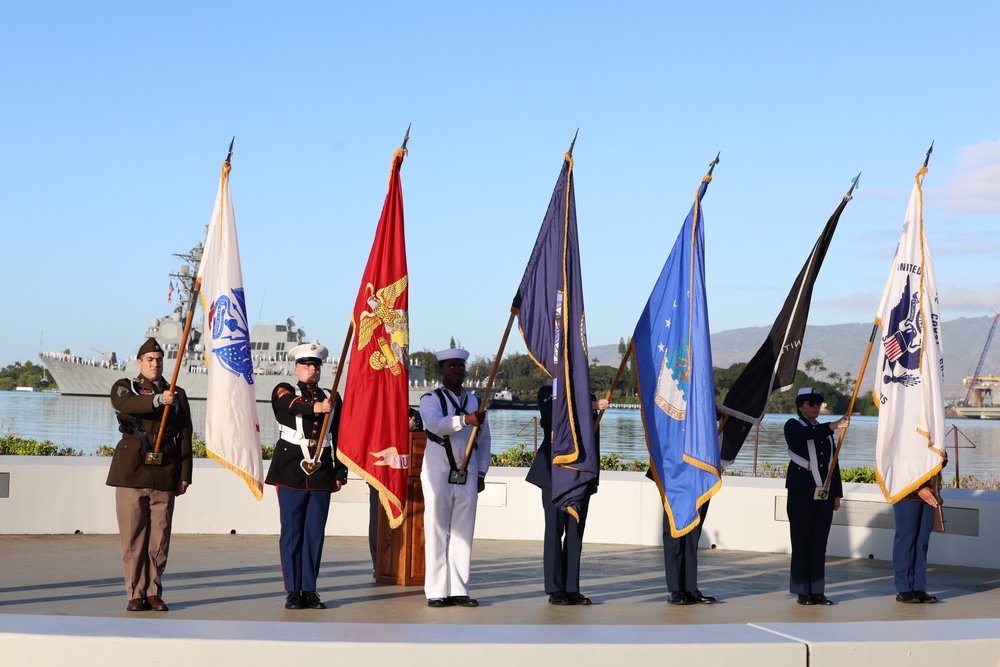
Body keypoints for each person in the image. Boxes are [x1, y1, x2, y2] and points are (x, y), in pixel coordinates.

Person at [107, 337, 193, 612]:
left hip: (165, 472)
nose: (155, 364)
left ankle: (154, 592)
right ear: (139, 362)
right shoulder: (125, 386)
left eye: (159, 360)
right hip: (131, 474)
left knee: (159, 539)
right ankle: (135, 593)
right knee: (133, 538)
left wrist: (185, 475)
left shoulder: (177, 393)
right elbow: (127, 405)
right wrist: (157, 400)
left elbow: (185, 435)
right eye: (150, 360)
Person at [264, 343, 348, 610]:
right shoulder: (284, 389)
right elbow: (290, 404)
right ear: (296, 369)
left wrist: (340, 470)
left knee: (314, 533)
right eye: (307, 365)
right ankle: (293, 590)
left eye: (316, 366)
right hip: (291, 470)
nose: (312, 369)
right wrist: (317, 407)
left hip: (321, 470)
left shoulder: (332, 397)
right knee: (292, 532)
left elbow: (340, 435)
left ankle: (309, 589)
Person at [419, 348, 491, 608]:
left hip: (467, 472)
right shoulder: (430, 399)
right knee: (437, 531)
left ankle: (459, 589)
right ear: (441, 370)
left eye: (460, 366)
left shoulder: (475, 401)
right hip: (438, 472)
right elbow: (436, 425)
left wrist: (481, 472)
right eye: (451, 366)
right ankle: (436, 591)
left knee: (463, 532)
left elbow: (484, 439)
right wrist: (465, 420)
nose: (457, 370)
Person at [526, 385, 608, 606]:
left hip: (580, 474)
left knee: (575, 532)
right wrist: (590, 406)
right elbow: (553, 416)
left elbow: (592, 440)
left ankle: (572, 588)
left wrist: (593, 476)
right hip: (554, 472)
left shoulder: (587, 395)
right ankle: (555, 589)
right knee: (554, 529)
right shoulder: (548, 391)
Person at [784, 386, 849, 606]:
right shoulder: (793, 426)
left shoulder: (825, 432)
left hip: (824, 495)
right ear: (800, 407)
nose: (816, 407)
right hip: (801, 494)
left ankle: (817, 591)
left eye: (818, 403)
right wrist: (834, 425)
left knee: (819, 543)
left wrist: (837, 493)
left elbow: (833, 463)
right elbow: (805, 435)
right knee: (801, 542)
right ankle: (802, 590)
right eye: (811, 403)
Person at [368, 408, 423, 576]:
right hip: (380, 475)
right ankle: (379, 564)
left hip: (406, 477)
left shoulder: (414, 415)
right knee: (378, 520)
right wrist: (403, 429)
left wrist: (409, 430)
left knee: (407, 522)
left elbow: (420, 444)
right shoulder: (377, 414)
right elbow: (375, 439)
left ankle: (406, 564)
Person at [893, 458, 946, 604]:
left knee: (921, 542)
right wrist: (919, 488)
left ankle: (918, 588)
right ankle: (903, 589)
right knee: (906, 540)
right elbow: (901, 461)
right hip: (907, 492)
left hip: (930, 490)